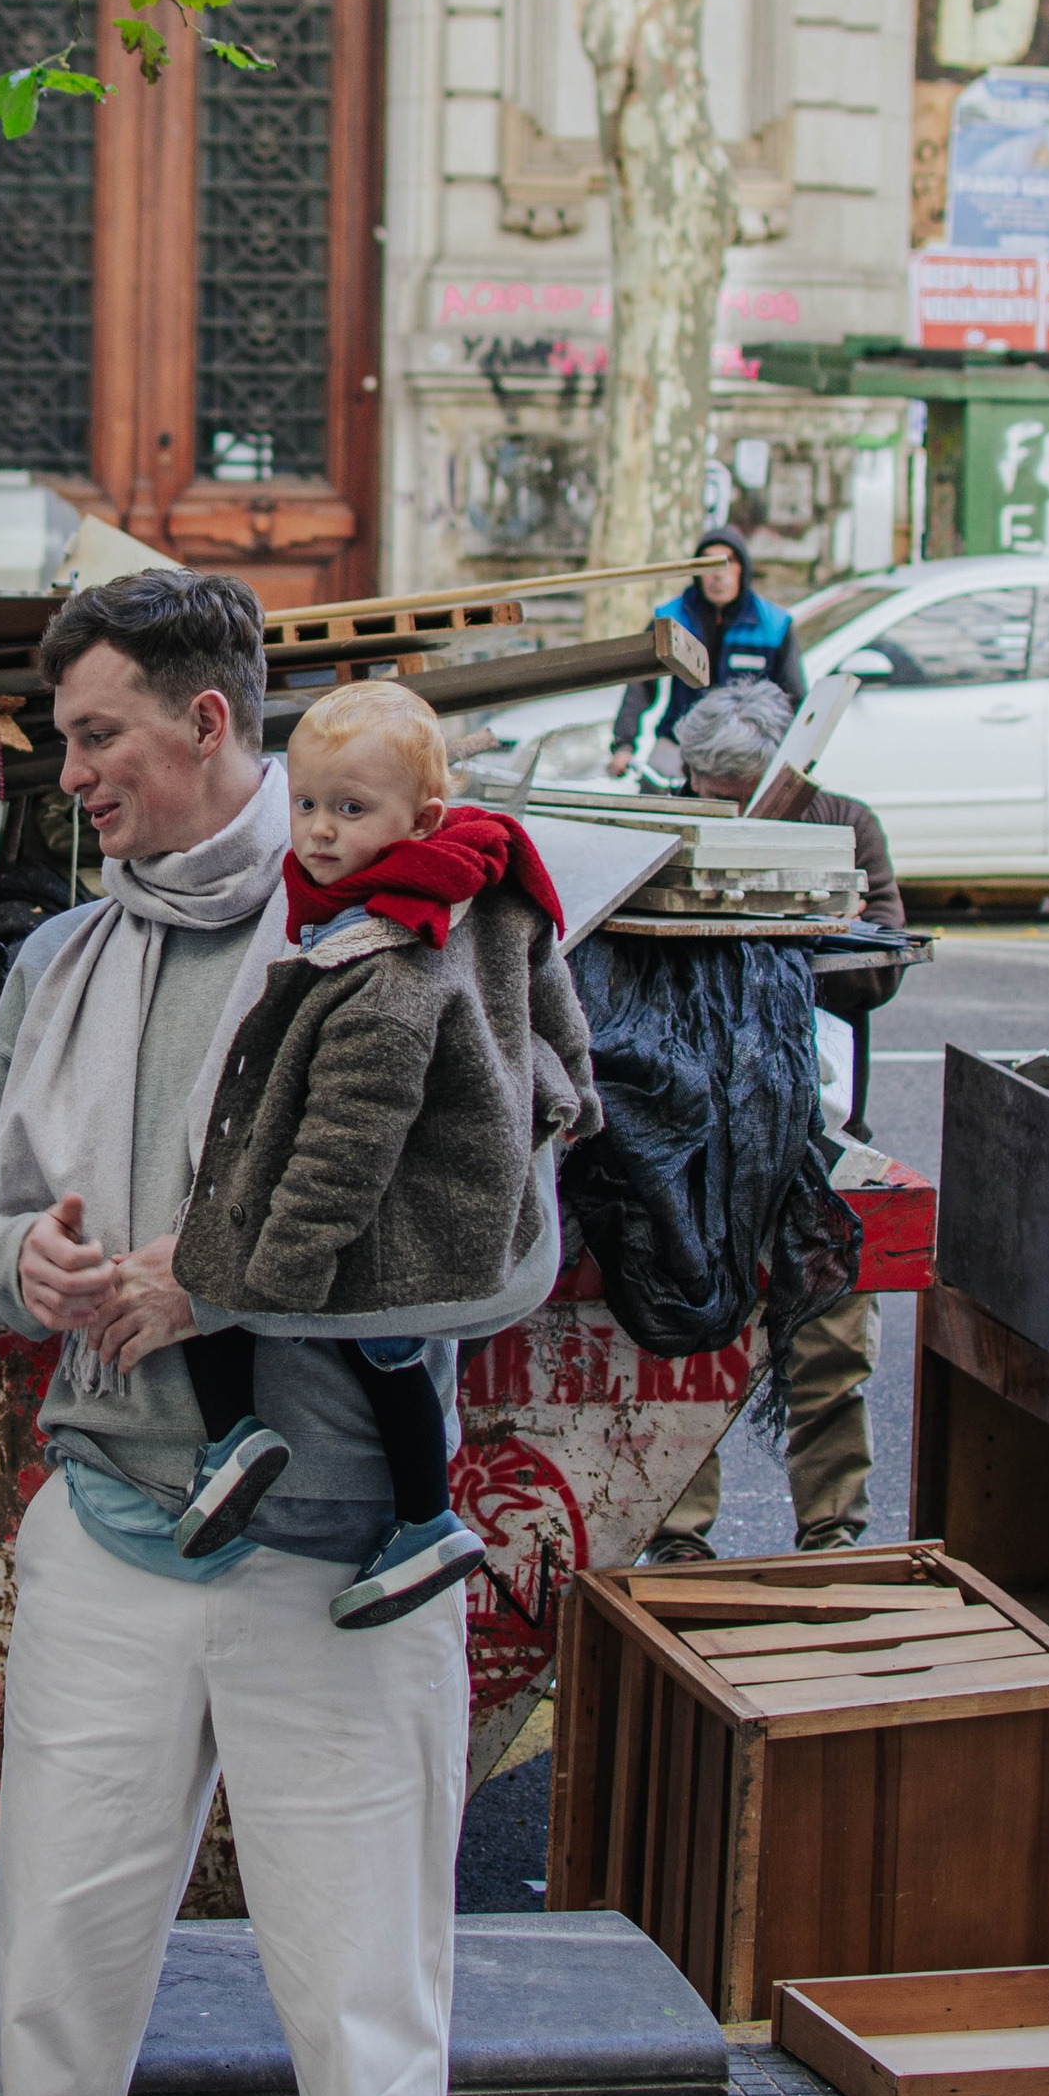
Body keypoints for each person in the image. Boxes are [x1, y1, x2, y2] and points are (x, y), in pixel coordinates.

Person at [0, 567, 514, 2096]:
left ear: (208, 723)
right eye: (62, 740)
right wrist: (22, 1264)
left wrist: (236, 1281)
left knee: (365, 1999)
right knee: (47, 1994)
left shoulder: (407, 919)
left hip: (336, 1556)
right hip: (106, 1529)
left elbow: (507, 1240)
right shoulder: (55, 967)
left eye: (96, 734)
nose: (70, 773)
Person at [169, 678, 599, 1628]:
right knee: (391, 1355)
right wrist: (574, 1093)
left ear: (424, 817)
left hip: (405, 1199)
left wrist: (277, 1270)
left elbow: (345, 1147)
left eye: (351, 810)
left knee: (208, 1269)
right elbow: (554, 1001)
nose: (319, 833)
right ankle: (426, 1515)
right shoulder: (490, 884)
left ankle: (237, 1438)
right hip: (465, 1186)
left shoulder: (390, 965)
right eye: (308, 804)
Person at [641, 678, 905, 1562]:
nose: (713, 809)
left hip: (820, 1124)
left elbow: (880, 970)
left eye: (733, 798)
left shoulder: (845, 824)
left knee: (831, 1342)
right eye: (704, 794)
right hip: (694, 1132)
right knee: (693, 1343)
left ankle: (834, 1533)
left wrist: (789, 930)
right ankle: (678, 1539)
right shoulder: (663, 820)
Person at [607, 528, 803, 779]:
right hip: (679, 746)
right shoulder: (671, 619)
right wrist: (623, 745)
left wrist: (792, 758)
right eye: (707, 563)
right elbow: (639, 684)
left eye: (727, 562)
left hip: (744, 755)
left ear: (742, 568)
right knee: (652, 805)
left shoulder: (774, 626)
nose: (717, 574)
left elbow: (794, 698)